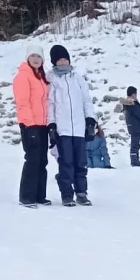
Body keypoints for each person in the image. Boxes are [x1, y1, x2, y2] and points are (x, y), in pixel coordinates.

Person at [46, 44, 96, 207]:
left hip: (79, 128)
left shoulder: (77, 78)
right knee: (66, 162)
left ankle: (81, 193)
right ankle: (67, 194)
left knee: (81, 162)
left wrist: (90, 119)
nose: (63, 62)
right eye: (59, 60)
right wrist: (51, 125)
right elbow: (50, 104)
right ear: (54, 62)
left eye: (65, 59)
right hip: (63, 129)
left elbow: (86, 100)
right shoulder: (52, 80)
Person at [13, 43, 51, 208]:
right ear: (28, 58)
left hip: (42, 125)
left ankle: (39, 195)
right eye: (33, 56)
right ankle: (27, 196)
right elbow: (23, 103)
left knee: (42, 160)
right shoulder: (23, 76)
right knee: (32, 159)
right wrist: (30, 126)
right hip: (30, 125)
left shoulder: (41, 77)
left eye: (39, 56)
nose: (36, 59)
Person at [122, 85, 140, 166]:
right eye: (136, 94)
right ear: (133, 94)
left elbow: (137, 111)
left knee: (135, 143)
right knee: (135, 144)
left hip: (133, 126)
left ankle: (135, 159)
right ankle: (134, 161)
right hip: (135, 126)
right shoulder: (131, 104)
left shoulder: (129, 103)